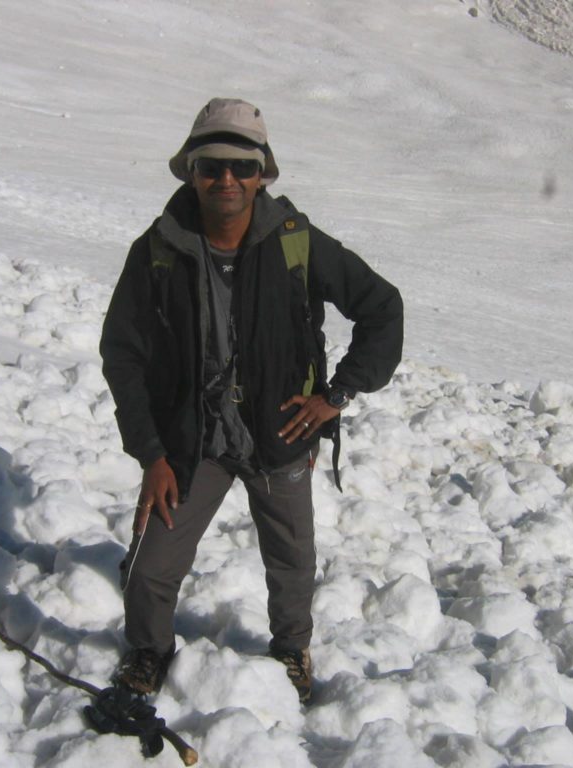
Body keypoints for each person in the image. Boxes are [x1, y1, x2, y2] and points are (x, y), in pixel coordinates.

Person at [100, 97, 403, 703]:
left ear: (263, 171)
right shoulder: (158, 249)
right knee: (153, 568)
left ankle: (292, 649)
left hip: (280, 437)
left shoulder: (297, 242)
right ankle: (148, 651)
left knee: (292, 563)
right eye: (211, 166)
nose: (227, 180)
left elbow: (382, 308)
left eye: (242, 165)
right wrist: (152, 453)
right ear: (191, 171)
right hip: (193, 443)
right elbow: (123, 354)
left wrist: (337, 395)